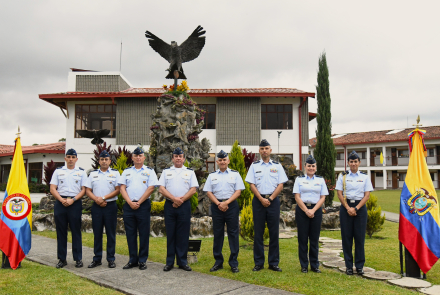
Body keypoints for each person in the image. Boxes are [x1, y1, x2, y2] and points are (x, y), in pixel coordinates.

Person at [245, 139, 288, 272]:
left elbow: (281, 184)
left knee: (274, 232)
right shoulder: (254, 166)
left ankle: (273, 263)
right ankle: (259, 263)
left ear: (270, 150)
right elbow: (251, 184)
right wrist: (261, 199)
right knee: (258, 233)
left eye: (267, 148)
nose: (264, 150)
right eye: (262, 148)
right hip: (258, 201)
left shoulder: (277, 166)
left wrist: (270, 198)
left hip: (273, 201)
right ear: (259, 150)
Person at [204, 150, 245, 273]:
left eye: (224, 160)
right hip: (217, 206)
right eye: (220, 160)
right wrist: (218, 203)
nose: (222, 162)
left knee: (233, 234)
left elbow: (238, 191)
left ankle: (233, 263)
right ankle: (218, 261)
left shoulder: (235, 174)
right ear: (217, 162)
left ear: (228, 161)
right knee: (218, 234)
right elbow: (208, 192)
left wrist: (226, 203)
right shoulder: (212, 176)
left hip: (231, 206)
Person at [158, 147, 199, 272]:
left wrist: (180, 200)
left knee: (183, 234)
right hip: (170, 205)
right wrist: (174, 199)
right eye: (176, 156)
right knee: (170, 234)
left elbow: (193, 189)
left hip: (184, 205)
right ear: (172, 158)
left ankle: (182, 262)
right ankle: (169, 262)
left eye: (180, 156)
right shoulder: (166, 172)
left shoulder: (190, 172)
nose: (178, 158)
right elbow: (161, 188)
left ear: (184, 158)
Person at [118, 147, 158, 270]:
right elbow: (122, 188)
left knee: (144, 233)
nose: (138, 157)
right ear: (133, 158)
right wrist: (130, 202)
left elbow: (151, 188)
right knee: (130, 233)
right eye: (136, 156)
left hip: (143, 205)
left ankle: (142, 260)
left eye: (140, 155)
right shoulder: (126, 171)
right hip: (129, 205)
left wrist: (139, 202)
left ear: (144, 158)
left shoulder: (150, 171)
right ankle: (132, 259)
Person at [335, 150, 373, 275]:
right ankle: (349, 266)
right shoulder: (343, 176)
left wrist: (356, 208)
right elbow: (339, 193)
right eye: (351, 162)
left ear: (359, 163)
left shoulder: (365, 177)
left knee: (359, 238)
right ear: (348, 163)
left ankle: (360, 266)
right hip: (346, 207)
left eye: (355, 162)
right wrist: (347, 208)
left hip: (360, 208)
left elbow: (367, 195)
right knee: (346, 238)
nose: (353, 164)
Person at [50, 148, 88, 269]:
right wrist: (61, 200)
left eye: (73, 157)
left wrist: (73, 200)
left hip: (75, 203)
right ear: (65, 158)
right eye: (68, 157)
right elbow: (52, 188)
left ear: (76, 159)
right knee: (61, 232)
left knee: (76, 231)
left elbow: (84, 190)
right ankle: (62, 259)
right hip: (60, 203)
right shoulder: (58, 171)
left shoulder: (81, 172)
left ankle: (78, 259)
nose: (71, 159)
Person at [293, 154, 328, 273]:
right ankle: (304, 265)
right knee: (302, 239)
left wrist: (313, 210)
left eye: (313, 166)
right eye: (309, 166)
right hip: (302, 210)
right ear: (305, 166)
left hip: (316, 210)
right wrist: (306, 210)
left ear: (316, 167)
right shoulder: (299, 180)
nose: (311, 168)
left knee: (314, 239)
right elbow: (297, 197)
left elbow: (323, 197)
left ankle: (314, 265)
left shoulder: (320, 180)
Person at [85, 150, 121, 269]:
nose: (104, 161)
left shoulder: (115, 174)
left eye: (106, 159)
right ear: (99, 161)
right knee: (97, 233)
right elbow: (87, 190)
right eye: (102, 159)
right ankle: (97, 259)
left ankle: (111, 259)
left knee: (111, 234)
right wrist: (97, 200)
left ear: (110, 161)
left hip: (110, 206)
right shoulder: (93, 174)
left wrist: (103, 198)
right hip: (96, 207)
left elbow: (118, 190)